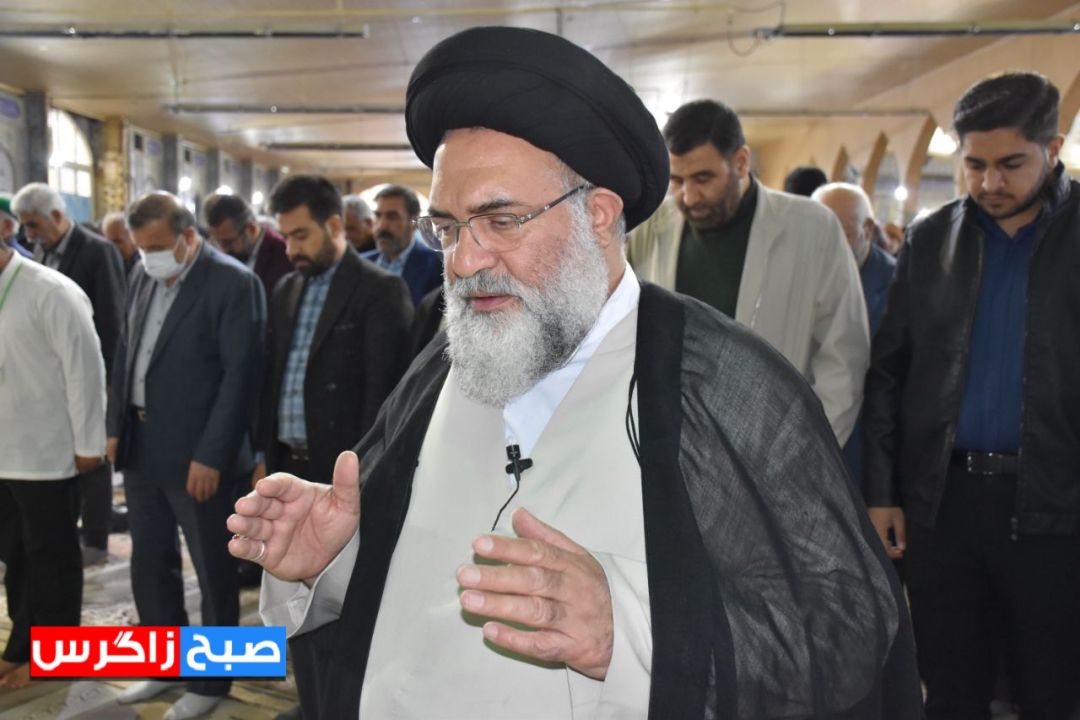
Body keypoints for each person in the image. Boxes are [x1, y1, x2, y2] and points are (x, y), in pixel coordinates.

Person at [230, 26, 920, 720]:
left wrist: (631, 628)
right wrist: (332, 559)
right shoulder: (438, 369)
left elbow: (845, 624)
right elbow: (397, 577)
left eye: (500, 220)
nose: (464, 261)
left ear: (598, 215)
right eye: (448, 227)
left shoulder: (721, 385)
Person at [863, 71, 1080, 719]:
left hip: (1057, 506)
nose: (989, 183)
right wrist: (882, 491)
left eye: (1010, 164)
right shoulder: (932, 239)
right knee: (950, 688)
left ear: (1053, 148)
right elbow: (889, 373)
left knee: (1053, 690)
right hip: (943, 506)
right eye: (975, 165)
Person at [106, 192, 266, 720]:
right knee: (150, 565)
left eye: (158, 246)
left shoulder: (232, 283)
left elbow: (240, 377)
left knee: (213, 570)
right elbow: (126, 351)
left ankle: (212, 681)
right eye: (141, 247)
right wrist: (114, 426)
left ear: (189, 237)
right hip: (141, 446)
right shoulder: (141, 274)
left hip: (200, 456)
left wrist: (212, 455)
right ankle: (164, 664)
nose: (149, 256)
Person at [627, 100, 869, 445]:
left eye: (703, 178)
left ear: (741, 162)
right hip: (673, 440)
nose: (689, 197)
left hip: (773, 444)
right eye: (676, 181)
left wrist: (808, 453)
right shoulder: (651, 228)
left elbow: (844, 358)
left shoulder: (812, 228)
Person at [256, 173, 412, 487]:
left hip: (344, 466)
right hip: (284, 460)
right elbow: (272, 377)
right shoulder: (286, 289)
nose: (291, 250)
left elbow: (383, 394)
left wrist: (366, 472)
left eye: (301, 235)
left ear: (335, 226)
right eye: (286, 237)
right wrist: (263, 454)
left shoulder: (380, 290)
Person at [0, 243, 106, 689]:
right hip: (5, 454)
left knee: (53, 559)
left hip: (49, 455)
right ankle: (22, 644)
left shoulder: (51, 290)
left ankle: (57, 656)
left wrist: (89, 444)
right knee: (16, 556)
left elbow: (85, 371)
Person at [12, 182, 125, 566]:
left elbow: (111, 317)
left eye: (33, 224)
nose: (28, 234)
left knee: (92, 450)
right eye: (24, 226)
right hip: (52, 373)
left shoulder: (97, 251)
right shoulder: (41, 250)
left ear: (57, 216)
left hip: (92, 366)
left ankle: (96, 534)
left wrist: (110, 378)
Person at [812, 182, 899, 512]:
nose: (828, 245)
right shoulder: (806, 278)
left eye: (840, 233)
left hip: (869, 452)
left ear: (868, 230)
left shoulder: (897, 287)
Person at [362, 184, 443, 306]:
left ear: (414, 222)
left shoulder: (435, 265)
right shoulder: (362, 263)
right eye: (378, 216)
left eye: (392, 217)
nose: (382, 226)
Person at [204, 192, 292, 304]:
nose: (224, 249)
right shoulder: (217, 257)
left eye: (228, 242)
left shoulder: (282, 254)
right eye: (218, 241)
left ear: (251, 229)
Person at [101, 210, 141, 281]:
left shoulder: (145, 267)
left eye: (117, 241)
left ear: (131, 236)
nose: (113, 247)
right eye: (109, 242)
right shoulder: (102, 266)